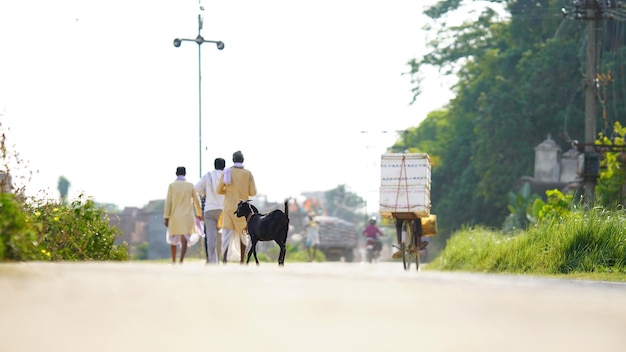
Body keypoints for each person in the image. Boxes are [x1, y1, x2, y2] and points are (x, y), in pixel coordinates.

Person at [216, 150, 257, 264]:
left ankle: (224, 258)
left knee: (226, 235)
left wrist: (229, 192)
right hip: (243, 209)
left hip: (229, 207)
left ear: (233, 160)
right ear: (242, 160)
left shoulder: (227, 172)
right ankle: (242, 260)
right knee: (243, 234)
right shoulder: (248, 173)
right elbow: (253, 192)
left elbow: (218, 190)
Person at [164, 166, 203, 264]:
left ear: (176, 173)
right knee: (184, 238)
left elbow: (168, 202)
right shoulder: (190, 185)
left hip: (175, 215)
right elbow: (197, 201)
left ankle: (173, 260)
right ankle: (181, 260)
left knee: (172, 238)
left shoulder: (172, 186)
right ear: (185, 174)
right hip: (187, 215)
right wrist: (199, 214)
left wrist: (166, 217)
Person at [195, 157, 226, 264]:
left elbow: (196, 188)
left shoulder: (208, 175)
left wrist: (205, 192)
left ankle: (212, 261)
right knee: (220, 236)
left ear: (214, 165)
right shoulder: (226, 176)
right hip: (223, 210)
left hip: (209, 209)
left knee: (210, 237)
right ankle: (220, 258)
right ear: (224, 166)